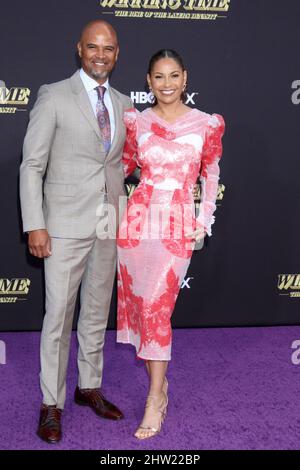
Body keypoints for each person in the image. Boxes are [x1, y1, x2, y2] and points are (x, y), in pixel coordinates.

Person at [19, 20, 132, 444]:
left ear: (117, 54)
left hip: (108, 223)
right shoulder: (54, 95)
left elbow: (119, 164)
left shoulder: (123, 104)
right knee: (58, 318)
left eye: (108, 48)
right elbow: (32, 165)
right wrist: (36, 224)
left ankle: (89, 387)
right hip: (63, 225)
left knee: (96, 312)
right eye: (93, 47)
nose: (100, 54)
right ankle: (52, 403)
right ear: (79, 50)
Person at [117, 49, 225, 439]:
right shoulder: (137, 122)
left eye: (173, 76)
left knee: (158, 308)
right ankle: (160, 387)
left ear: (185, 78)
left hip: (177, 222)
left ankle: (153, 400)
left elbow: (210, 174)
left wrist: (204, 217)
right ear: (148, 82)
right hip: (136, 224)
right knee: (142, 308)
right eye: (158, 77)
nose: (166, 84)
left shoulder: (206, 124)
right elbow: (121, 166)